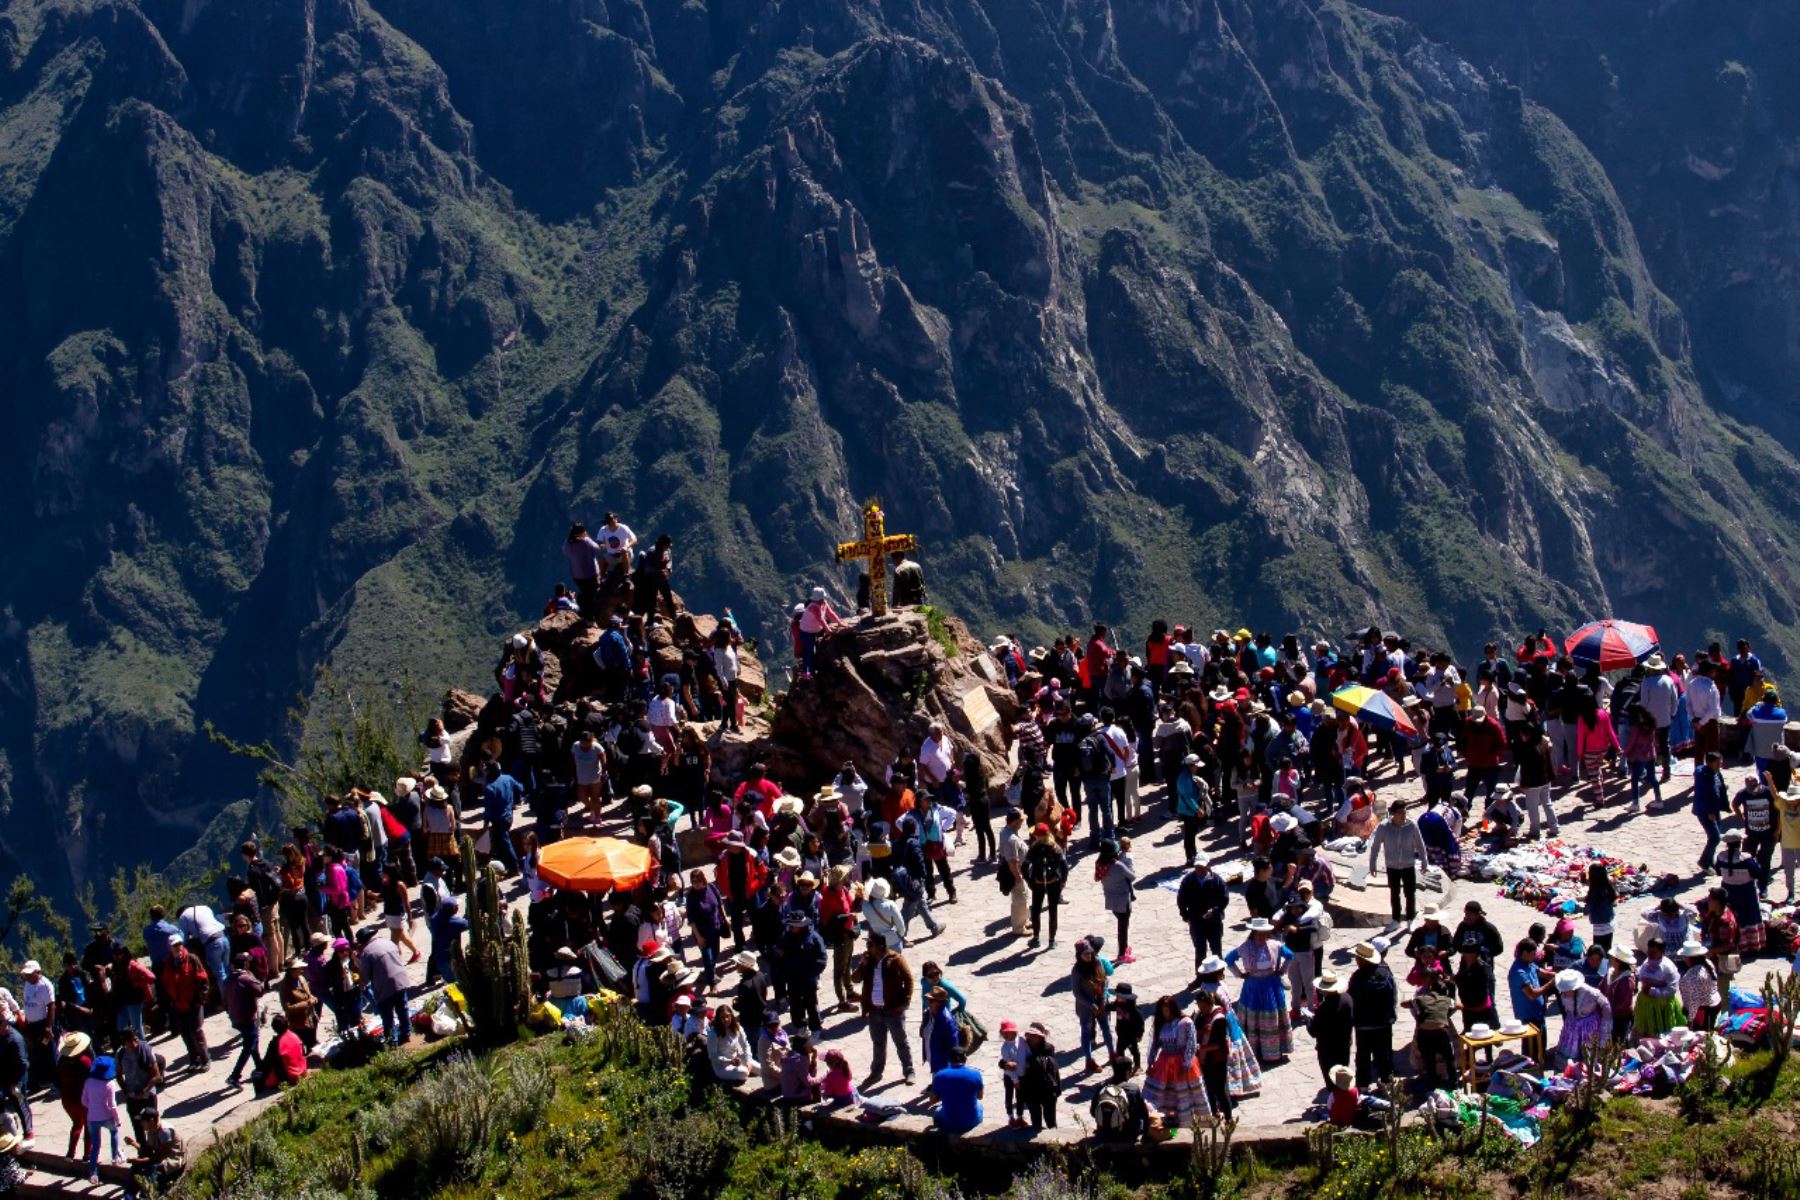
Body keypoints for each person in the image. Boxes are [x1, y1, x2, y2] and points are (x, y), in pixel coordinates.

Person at [852, 935, 915, 1086]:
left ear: (880, 946)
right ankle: (876, 1072)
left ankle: (909, 1070)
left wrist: (904, 1003)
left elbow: (909, 980)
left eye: (870, 945)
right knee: (878, 1043)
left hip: (892, 1010)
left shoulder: (896, 959)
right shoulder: (869, 962)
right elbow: (855, 979)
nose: (868, 948)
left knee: (901, 1042)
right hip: (875, 1011)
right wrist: (862, 964)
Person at [1226, 920, 1292, 1064]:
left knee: (1271, 1018)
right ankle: (1255, 1050)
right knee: (1253, 1019)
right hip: (1253, 987)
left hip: (1271, 986)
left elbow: (1290, 955)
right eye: (1259, 933)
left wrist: (1282, 971)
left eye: (1264, 933)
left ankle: (1273, 1052)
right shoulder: (1245, 947)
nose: (1262, 936)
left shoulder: (1275, 945)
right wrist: (1240, 974)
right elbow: (1228, 959)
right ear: (1254, 932)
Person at [1142, 995, 1210, 1128]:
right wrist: (1150, 1063)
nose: (1165, 1014)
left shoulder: (1186, 1022)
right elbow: (1154, 1044)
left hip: (1182, 1063)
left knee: (1184, 1093)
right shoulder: (1160, 1024)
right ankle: (1162, 1120)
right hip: (1164, 1063)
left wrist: (1186, 1064)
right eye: (1163, 1011)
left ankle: (1189, 1121)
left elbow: (1191, 1043)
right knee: (1161, 1093)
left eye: (1167, 1010)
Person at [1367, 801, 1428, 924]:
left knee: (1410, 893)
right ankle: (1396, 919)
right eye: (1400, 812)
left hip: (1408, 865)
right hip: (1392, 867)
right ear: (1393, 813)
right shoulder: (1384, 827)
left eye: (1404, 811)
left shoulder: (1412, 825)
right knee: (1395, 894)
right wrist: (1372, 864)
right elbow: (1376, 846)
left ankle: (1411, 918)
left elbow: (1420, 845)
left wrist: (1424, 861)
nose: (1403, 815)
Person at [1347, 942, 1396, 1089]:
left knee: (1363, 1056)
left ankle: (1363, 1087)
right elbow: (1392, 998)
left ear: (1362, 959)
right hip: (1382, 1024)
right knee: (1383, 1056)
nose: (1356, 959)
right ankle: (1387, 1085)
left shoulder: (1357, 977)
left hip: (1363, 1025)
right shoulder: (1386, 975)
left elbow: (1352, 1000)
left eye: (1357, 957)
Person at [158, 940, 209, 1075]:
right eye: (174, 946)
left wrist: (200, 999)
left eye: (179, 945)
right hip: (178, 1004)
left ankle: (205, 1059)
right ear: (170, 948)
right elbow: (166, 982)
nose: (177, 948)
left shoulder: (192, 959)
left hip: (193, 1003)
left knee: (196, 1031)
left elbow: (203, 979)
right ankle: (194, 1060)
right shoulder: (169, 963)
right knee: (185, 1033)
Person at [359, 929, 411, 1048]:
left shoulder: (367, 952)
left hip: (384, 986)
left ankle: (392, 1040)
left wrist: (361, 984)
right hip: (400, 980)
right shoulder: (389, 943)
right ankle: (406, 1034)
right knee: (403, 1010)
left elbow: (365, 976)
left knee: (387, 1015)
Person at [1071, 938, 1115, 1074]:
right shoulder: (1077, 970)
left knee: (1106, 1028)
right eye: (1085, 954)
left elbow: (1104, 981)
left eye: (1090, 953)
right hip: (1086, 1006)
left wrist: (1102, 1000)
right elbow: (1077, 992)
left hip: (1101, 1002)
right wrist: (1091, 1006)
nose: (1089, 956)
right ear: (1079, 955)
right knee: (1086, 1031)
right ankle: (1089, 1060)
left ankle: (1112, 1053)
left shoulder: (1098, 963)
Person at [1177, 855, 1227, 972]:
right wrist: (1186, 916)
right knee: (1200, 951)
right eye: (1197, 866)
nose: (1199, 869)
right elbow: (1181, 899)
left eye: (1202, 866)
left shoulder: (1217, 880)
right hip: (1196, 922)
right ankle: (1200, 978)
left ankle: (1219, 975)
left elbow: (1224, 899)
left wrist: (1215, 910)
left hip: (1214, 922)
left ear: (1208, 865)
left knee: (1216, 950)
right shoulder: (1188, 880)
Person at [1023, 823, 1069, 950]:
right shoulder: (1055, 847)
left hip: (1038, 883)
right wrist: (1062, 881)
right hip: (1053, 883)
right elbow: (1064, 866)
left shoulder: (1034, 848)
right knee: (1053, 911)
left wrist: (1030, 881)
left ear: (1037, 835)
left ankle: (1036, 938)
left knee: (1036, 910)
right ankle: (1051, 940)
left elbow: (1024, 867)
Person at [1554, 969, 1613, 1065]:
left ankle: (1589, 1071)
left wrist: (1606, 1025)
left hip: (1588, 1026)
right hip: (1572, 1024)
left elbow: (1605, 1004)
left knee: (1588, 1054)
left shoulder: (1591, 992)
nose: (1564, 992)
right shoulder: (1563, 993)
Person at [82, 1055, 123, 1183]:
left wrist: (93, 1108)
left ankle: (93, 1173)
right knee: (114, 1132)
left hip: (92, 1118)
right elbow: (112, 1105)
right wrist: (117, 1119)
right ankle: (115, 1157)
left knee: (95, 1146)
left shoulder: (88, 1082)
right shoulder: (110, 1084)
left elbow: (84, 1101)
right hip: (107, 1116)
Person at [1090, 1056, 1149, 1143]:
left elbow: (1093, 1112)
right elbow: (1144, 1115)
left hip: (1104, 1133)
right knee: (1142, 1121)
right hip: (1127, 1134)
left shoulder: (1101, 1088)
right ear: (1127, 1072)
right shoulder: (1133, 1089)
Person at [1095, 839, 1137, 963]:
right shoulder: (1118, 865)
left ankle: (1124, 948)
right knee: (1123, 928)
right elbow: (1132, 876)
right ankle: (1122, 954)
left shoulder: (1100, 863)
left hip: (1110, 897)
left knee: (1121, 923)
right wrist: (1129, 864)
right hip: (1123, 900)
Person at [928, 1046, 984, 1134]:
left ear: (949, 1059)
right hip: (972, 1121)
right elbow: (980, 1096)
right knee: (980, 1106)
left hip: (949, 1122)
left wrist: (945, 1095)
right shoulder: (976, 1074)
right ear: (965, 1058)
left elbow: (932, 1101)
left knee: (937, 1110)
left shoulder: (940, 1075)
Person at [1508, 939, 1554, 1045]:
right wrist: (1551, 984)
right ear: (1525, 953)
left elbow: (1546, 974)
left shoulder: (1530, 964)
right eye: (1533, 954)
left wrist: (1563, 975)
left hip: (1538, 1014)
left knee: (1541, 1045)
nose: (1535, 956)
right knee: (1531, 1049)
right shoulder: (1519, 972)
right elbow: (1532, 995)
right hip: (1528, 1017)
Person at [1018, 1022, 1062, 1131]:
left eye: (1034, 1035)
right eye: (1029, 1035)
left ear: (1040, 1037)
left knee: (1051, 1121)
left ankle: (1054, 1143)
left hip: (1047, 1089)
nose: (1030, 1037)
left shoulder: (1048, 1048)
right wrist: (1004, 1064)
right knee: (1036, 1121)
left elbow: (1051, 1069)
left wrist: (1057, 1089)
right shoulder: (1023, 1048)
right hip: (1031, 1091)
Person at [1311, 970, 1353, 1084]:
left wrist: (1309, 1022)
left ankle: (1334, 1097)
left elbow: (1314, 1031)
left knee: (1331, 1077)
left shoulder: (1324, 1009)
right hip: (1344, 1044)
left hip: (1328, 1049)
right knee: (1342, 1073)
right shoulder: (1347, 999)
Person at [997, 809, 1031, 937]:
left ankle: (1025, 920)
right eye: (1021, 820)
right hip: (1014, 872)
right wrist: (1018, 877)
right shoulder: (1011, 839)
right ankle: (1018, 927)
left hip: (1017, 869)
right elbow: (1012, 861)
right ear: (1015, 821)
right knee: (1019, 899)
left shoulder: (1006, 831)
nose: (1022, 822)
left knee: (1024, 895)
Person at [706, 1004, 753, 1084]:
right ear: (718, 1018)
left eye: (728, 1016)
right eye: (723, 1017)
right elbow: (712, 1056)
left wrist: (748, 1060)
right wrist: (729, 1061)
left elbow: (745, 1045)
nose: (726, 1019)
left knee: (760, 1068)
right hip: (721, 1066)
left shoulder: (737, 1027)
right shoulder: (713, 1034)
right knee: (744, 1072)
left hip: (736, 1059)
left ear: (731, 1016)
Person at [260, 1013, 308, 1089]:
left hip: (290, 1077)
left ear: (274, 1029)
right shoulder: (294, 1035)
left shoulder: (276, 1043)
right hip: (302, 1070)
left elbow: (267, 1063)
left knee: (259, 1077)